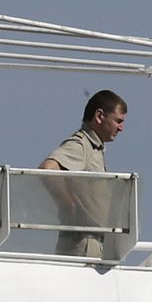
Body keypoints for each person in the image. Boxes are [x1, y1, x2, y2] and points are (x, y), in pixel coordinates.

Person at [39, 90, 126, 257]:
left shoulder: (94, 148)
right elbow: (48, 169)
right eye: (118, 121)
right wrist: (67, 204)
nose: (121, 128)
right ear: (100, 116)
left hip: (92, 242)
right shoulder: (82, 144)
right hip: (83, 243)